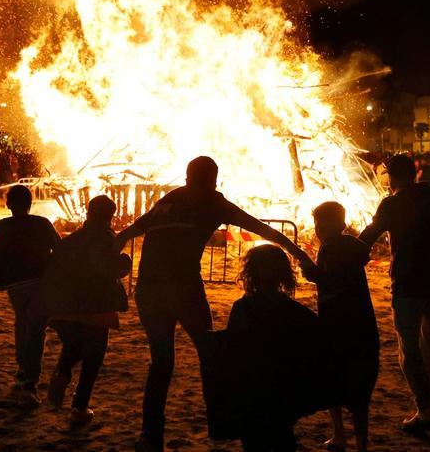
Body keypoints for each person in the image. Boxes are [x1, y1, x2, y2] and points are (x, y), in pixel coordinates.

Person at [114, 156, 315, 451]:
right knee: (210, 356)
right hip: (183, 292)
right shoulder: (213, 202)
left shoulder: (171, 198)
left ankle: (150, 436)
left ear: (186, 176)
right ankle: (219, 424)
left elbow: (134, 229)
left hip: (150, 290)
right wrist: (300, 255)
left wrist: (115, 245)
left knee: (161, 363)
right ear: (213, 179)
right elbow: (261, 228)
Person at [358, 154, 430, 433]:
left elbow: (369, 235)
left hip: (409, 285)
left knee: (409, 350)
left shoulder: (392, 204)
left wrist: (345, 251)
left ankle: (424, 409)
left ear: (391, 175)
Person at [39, 195, 131, 425]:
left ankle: (61, 373)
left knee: (73, 345)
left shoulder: (71, 240)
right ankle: (79, 407)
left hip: (68, 305)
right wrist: (125, 262)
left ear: (89, 213)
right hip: (97, 305)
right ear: (110, 216)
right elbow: (108, 269)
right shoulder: (106, 239)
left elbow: (54, 268)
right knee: (94, 357)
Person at [220, 244, 321, 451]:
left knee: (255, 440)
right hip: (284, 391)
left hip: (254, 389)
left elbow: (232, 348)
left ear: (250, 273)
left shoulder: (243, 308)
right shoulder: (296, 312)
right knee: (283, 437)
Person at [0, 185, 60, 404]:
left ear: (8, 204)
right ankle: (31, 378)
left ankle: (23, 369)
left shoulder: (3, 226)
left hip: (15, 284)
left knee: (22, 321)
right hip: (40, 281)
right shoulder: (42, 223)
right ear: (30, 203)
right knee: (36, 326)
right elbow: (60, 248)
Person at [309, 202, 378, 452]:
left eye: (321, 223)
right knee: (358, 390)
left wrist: (312, 274)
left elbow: (334, 284)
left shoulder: (329, 248)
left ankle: (339, 433)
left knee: (333, 380)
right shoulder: (353, 245)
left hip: (336, 324)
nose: (317, 229)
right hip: (362, 323)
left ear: (336, 224)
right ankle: (360, 443)